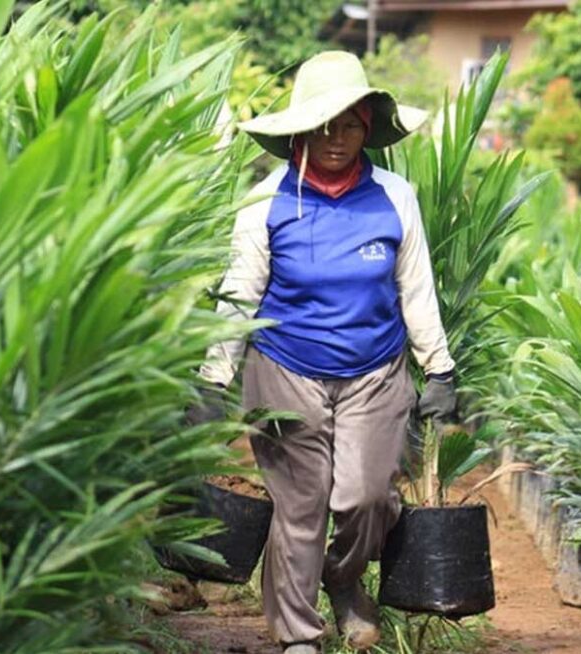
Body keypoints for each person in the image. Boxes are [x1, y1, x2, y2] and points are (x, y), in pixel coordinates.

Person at [190, 51, 458, 654]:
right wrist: (214, 380)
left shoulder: (395, 197)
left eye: (350, 125)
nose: (337, 139)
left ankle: (343, 582)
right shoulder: (265, 204)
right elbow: (239, 296)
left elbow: (415, 287)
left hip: (376, 370)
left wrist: (439, 368)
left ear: (369, 128)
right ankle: (298, 636)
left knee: (366, 497)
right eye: (324, 126)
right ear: (300, 132)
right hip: (285, 369)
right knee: (301, 505)